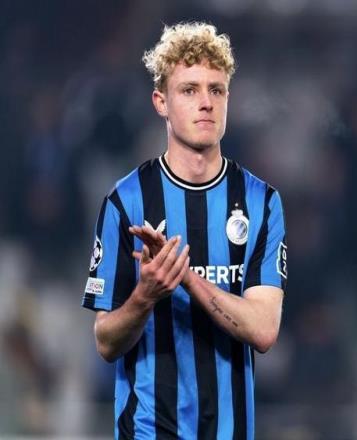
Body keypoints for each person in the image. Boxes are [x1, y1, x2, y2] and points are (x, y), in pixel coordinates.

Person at [81, 22, 287, 440]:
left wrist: (183, 277)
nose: (206, 103)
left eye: (216, 90)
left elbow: (264, 330)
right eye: (189, 90)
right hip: (148, 430)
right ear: (161, 101)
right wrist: (145, 295)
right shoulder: (126, 201)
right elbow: (105, 342)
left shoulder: (261, 202)